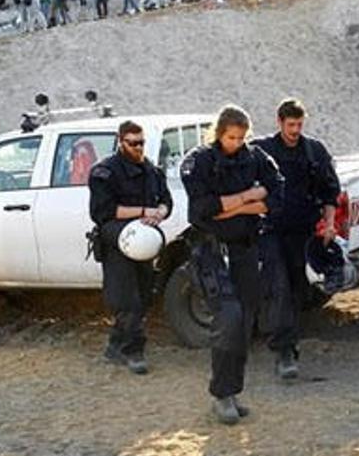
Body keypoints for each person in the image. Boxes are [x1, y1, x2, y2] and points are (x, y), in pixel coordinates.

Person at [181, 105, 284, 425]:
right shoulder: (200, 161)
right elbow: (202, 210)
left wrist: (234, 207)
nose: (236, 143)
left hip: (245, 249)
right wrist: (249, 197)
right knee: (228, 317)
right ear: (219, 133)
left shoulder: (255, 157)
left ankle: (232, 390)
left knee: (245, 320)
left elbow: (276, 196)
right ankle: (222, 394)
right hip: (211, 249)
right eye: (231, 137)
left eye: (241, 138)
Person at [253, 99, 341, 380]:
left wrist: (329, 225)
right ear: (279, 122)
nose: (295, 130)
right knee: (278, 286)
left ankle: (288, 340)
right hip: (270, 230)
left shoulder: (314, 151)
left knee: (296, 289)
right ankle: (285, 352)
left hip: (303, 232)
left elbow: (330, 192)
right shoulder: (261, 150)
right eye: (290, 125)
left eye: (299, 125)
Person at [87, 121, 173, 375]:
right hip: (117, 240)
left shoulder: (152, 171)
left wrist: (159, 213)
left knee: (143, 296)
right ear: (120, 141)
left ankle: (115, 346)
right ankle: (133, 350)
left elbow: (166, 201)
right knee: (127, 299)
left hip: (145, 241)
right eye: (132, 143)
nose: (138, 148)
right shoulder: (105, 172)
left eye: (141, 143)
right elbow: (103, 211)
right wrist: (143, 211)